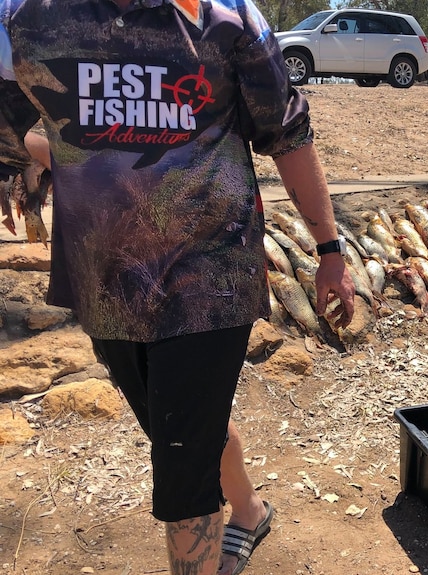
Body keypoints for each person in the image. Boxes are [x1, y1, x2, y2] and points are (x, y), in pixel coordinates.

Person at [0, 1, 356, 575]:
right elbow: (7, 120)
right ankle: (249, 510)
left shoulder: (232, 18)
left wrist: (330, 250)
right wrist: (22, 165)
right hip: (107, 283)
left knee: (182, 461)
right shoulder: (24, 18)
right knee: (182, 422)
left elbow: (288, 132)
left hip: (209, 277)